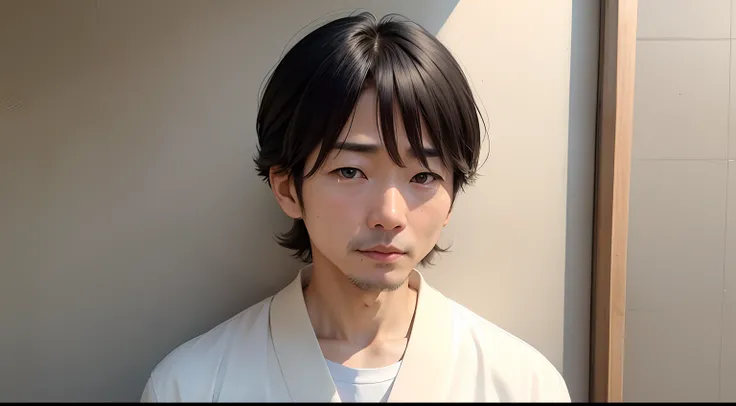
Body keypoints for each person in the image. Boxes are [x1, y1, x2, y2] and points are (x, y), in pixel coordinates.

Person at [140, 11, 571, 403]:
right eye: (350, 171)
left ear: (452, 196)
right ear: (288, 188)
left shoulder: (522, 385)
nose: (390, 214)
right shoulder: (193, 385)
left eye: (423, 177)